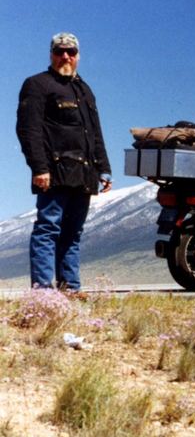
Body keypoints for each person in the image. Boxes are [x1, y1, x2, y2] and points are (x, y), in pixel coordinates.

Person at [16, 32, 112, 292]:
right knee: (48, 230)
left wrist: (104, 169)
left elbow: (94, 132)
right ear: (51, 54)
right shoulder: (37, 85)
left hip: (83, 174)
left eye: (71, 51)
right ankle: (44, 294)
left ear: (78, 55)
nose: (65, 56)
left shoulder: (84, 90)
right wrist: (39, 168)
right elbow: (28, 130)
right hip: (54, 173)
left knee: (73, 234)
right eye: (60, 51)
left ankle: (71, 290)